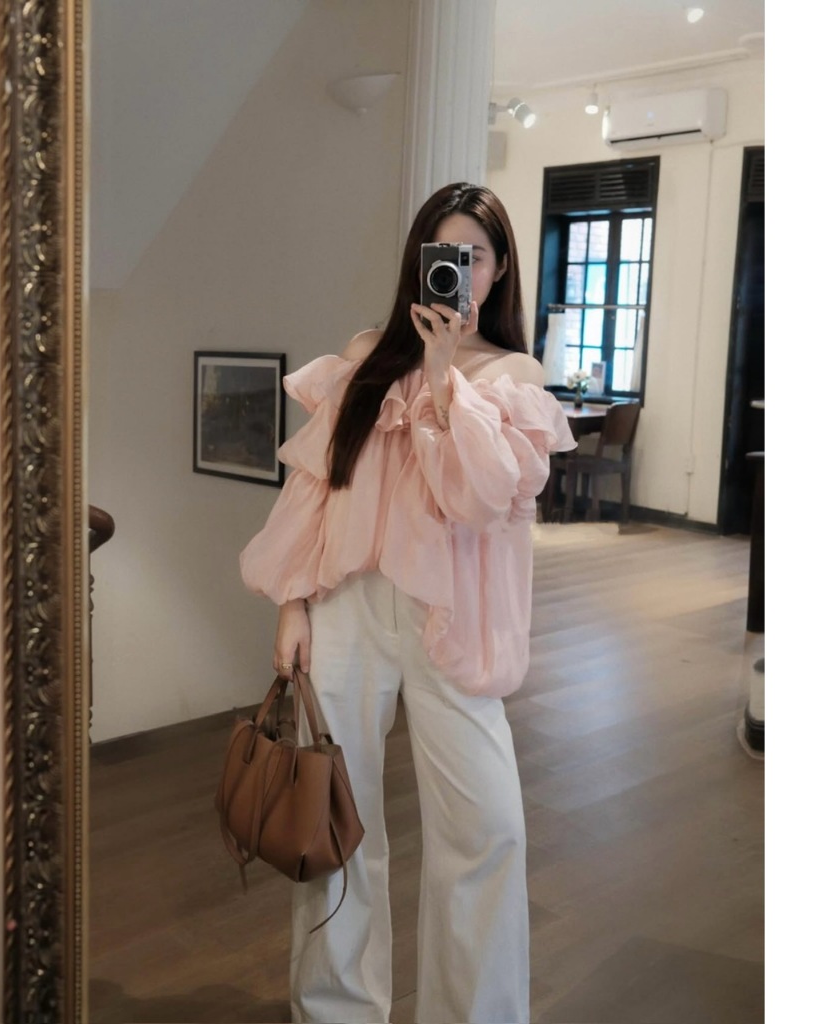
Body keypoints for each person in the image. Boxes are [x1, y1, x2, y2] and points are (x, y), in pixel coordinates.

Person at [240, 182, 576, 1024]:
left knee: (486, 828)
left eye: (476, 255)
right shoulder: (365, 356)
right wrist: (292, 604)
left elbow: (481, 498)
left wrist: (442, 375)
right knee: (334, 817)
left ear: (499, 270)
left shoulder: (513, 378)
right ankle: (335, 1009)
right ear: (419, 262)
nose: (460, 269)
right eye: (445, 253)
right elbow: (319, 487)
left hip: (449, 621)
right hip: (349, 605)